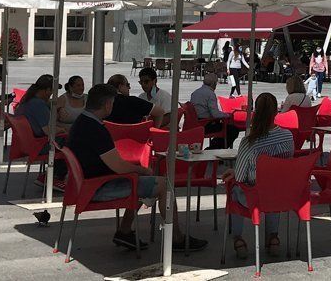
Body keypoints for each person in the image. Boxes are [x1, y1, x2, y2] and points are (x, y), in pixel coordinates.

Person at [65, 83, 207, 251]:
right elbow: (119, 167)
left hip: (89, 183)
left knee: (143, 181)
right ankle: (176, 238)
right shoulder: (95, 129)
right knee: (164, 186)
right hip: (100, 187)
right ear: (107, 105)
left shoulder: (81, 123)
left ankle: (125, 230)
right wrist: (142, 170)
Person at [222, 93, 293, 259]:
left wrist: (234, 172)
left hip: (255, 196)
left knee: (235, 190)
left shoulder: (249, 142)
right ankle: (273, 237)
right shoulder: (288, 136)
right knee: (272, 184)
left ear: (255, 112)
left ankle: (238, 239)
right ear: (276, 112)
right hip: (280, 194)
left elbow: (240, 177)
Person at [189, 73, 239, 148]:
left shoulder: (195, 92)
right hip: (205, 124)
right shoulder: (210, 94)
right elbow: (215, 114)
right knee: (232, 130)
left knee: (225, 127)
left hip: (195, 123)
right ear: (213, 84)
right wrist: (227, 115)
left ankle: (213, 146)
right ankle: (213, 148)